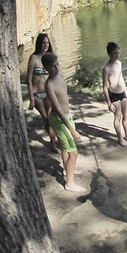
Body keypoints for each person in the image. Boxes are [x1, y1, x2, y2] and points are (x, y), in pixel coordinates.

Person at [42, 52, 86, 193]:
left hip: (67, 117)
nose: (56, 68)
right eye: (53, 67)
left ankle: (68, 171)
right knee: (73, 152)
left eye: (57, 64)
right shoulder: (49, 85)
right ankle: (70, 184)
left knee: (67, 149)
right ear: (46, 69)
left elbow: (64, 98)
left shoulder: (60, 77)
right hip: (60, 120)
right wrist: (72, 130)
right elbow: (57, 109)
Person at [102, 41, 127, 147]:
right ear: (109, 54)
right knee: (117, 117)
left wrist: (126, 93)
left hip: (122, 92)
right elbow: (105, 86)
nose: (117, 55)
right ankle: (119, 138)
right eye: (114, 53)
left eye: (118, 53)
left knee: (126, 115)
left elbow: (121, 78)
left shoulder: (119, 63)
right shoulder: (106, 69)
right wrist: (109, 102)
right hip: (114, 95)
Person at [26, 33, 58, 152]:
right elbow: (28, 79)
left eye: (47, 43)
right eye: (43, 43)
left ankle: (52, 143)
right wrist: (31, 99)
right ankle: (53, 144)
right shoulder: (33, 58)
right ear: (39, 44)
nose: (45, 45)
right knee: (47, 118)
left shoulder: (50, 57)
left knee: (50, 119)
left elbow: (56, 75)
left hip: (48, 93)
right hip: (37, 94)